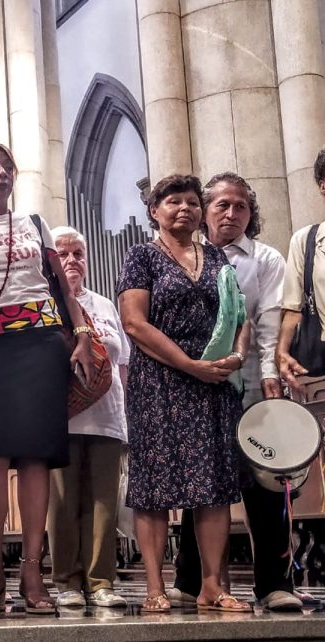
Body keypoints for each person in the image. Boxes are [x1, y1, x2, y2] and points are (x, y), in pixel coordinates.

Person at [0, 142, 93, 615]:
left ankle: (33, 571)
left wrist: (84, 334)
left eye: (8, 165)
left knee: (35, 460)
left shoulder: (35, 223)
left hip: (43, 341)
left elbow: (62, 289)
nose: (1, 172)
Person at [167, 172, 305, 611]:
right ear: (206, 211)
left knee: (264, 485)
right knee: (200, 483)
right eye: (222, 205)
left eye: (241, 206)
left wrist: (269, 376)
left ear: (251, 213)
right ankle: (192, 580)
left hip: (249, 388)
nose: (232, 213)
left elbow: (267, 321)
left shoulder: (264, 259)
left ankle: (273, 584)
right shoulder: (187, 256)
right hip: (199, 385)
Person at [117, 173, 251, 614]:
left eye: (192, 202)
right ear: (154, 211)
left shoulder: (215, 257)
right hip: (159, 383)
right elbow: (134, 323)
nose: (185, 209)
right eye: (173, 201)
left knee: (211, 486)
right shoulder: (142, 256)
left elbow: (239, 315)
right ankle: (155, 586)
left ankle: (211, 584)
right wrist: (188, 364)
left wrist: (236, 355)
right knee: (155, 486)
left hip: (212, 383)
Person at [46, 225, 129, 609]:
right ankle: (65, 581)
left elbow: (122, 364)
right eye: (62, 254)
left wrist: (128, 417)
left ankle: (101, 581)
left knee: (102, 503)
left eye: (78, 253)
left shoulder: (104, 304)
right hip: (60, 417)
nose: (71, 260)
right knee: (62, 503)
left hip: (107, 416)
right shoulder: (45, 303)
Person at [278, 149, 325, 394]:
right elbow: (293, 308)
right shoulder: (305, 240)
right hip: (319, 363)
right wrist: (282, 352)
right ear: (322, 185)